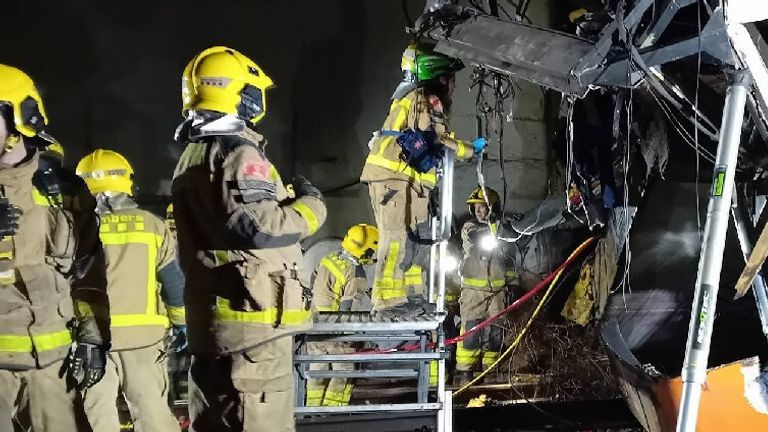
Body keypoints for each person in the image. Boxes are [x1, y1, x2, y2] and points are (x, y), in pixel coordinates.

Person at [172, 46, 327, 432]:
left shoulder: (193, 154)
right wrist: (312, 206)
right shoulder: (239, 154)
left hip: (220, 326)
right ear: (240, 94)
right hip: (253, 332)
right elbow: (261, 227)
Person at [0, 64, 110, 431]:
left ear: (19, 120)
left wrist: (93, 335)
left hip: (52, 368)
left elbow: (88, 273)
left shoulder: (63, 193)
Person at [360, 42, 487, 313]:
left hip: (408, 182)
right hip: (394, 179)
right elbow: (439, 138)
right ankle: (387, 302)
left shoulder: (412, 98)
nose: (452, 86)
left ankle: (411, 296)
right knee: (395, 239)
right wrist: (469, 150)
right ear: (439, 77)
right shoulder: (426, 98)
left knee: (414, 240)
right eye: (450, 79)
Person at [76, 149, 185, 432]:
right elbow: (173, 282)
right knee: (152, 414)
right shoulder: (153, 226)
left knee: (96, 415)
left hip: (92, 339)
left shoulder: (74, 228)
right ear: (127, 181)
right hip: (144, 340)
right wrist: (182, 324)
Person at [307, 223, 378, 406]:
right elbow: (349, 310)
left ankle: (312, 411)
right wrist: (354, 337)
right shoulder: (356, 273)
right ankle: (333, 411)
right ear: (365, 250)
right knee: (345, 373)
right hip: (336, 331)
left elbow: (312, 285)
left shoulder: (328, 258)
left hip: (315, 326)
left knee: (318, 372)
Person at [455, 186, 519, 385]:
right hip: (473, 292)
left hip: (498, 292)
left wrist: (513, 285)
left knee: (496, 333)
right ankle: (465, 373)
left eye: (482, 207)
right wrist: (492, 229)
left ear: (493, 207)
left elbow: (510, 261)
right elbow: (474, 236)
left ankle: (490, 371)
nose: (478, 211)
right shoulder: (469, 227)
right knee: (471, 333)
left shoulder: (504, 231)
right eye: (475, 207)